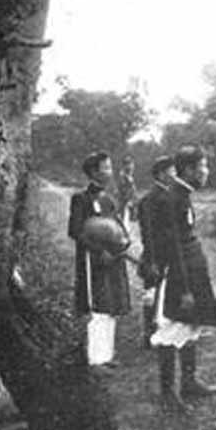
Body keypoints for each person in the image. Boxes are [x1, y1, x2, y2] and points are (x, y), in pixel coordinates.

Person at [144, 145, 216, 410]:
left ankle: (189, 382)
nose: (206, 172)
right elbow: (172, 246)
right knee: (171, 327)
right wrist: (185, 288)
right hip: (180, 275)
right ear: (188, 170)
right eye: (202, 167)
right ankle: (167, 393)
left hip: (192, 270)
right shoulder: (171, 199)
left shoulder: (183, 195)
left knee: (191, 325)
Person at [68, 152, 131, 370]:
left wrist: (124, 242)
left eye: (110, 167)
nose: (110, 172)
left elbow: (118, 226)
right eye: (105, 168)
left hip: (113, 259)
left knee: (111, 303)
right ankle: (95, 359)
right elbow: (75, 231)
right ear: (93, 172)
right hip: (93, 261)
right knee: (97, 305)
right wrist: (98, 251)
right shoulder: (81, 199)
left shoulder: (108, 199)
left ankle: (107, 355)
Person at [136, 155, 176, 349]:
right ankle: (149, 333)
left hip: (166, 253)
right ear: (160, 174)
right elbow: (148, 234)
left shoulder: (168, 196)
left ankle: (156, 331)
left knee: (160, 294)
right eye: (171, 171)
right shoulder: (151, 200)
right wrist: (151, 260)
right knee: (152, 294)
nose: (174, 175)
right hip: (157, 254)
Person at [117, 154, 138, 229]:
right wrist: (129, 201)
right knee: (125, 225)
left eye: (132, 164)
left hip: (130, 204)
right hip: (125, 205)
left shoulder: (129, 177)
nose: (132, 167)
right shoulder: (123, 178)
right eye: (129, 164)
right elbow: (124, 192)